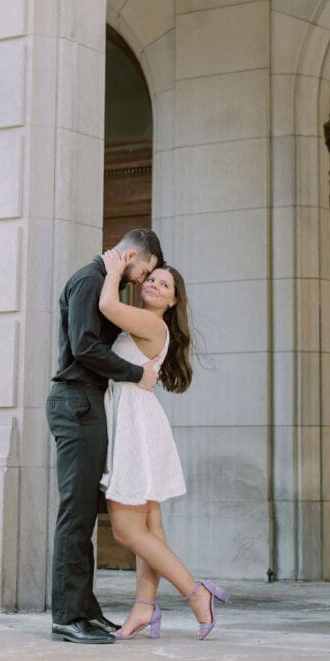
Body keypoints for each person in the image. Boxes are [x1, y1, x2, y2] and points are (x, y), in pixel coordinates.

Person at [98, 248, 229, 641]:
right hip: (138, 421)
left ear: (173, 301)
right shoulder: (144, 323)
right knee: (151, 528)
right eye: (152, 279)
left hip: (135, 428)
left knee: (125, 530)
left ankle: (195, 592)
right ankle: (143, 607)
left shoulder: (151, 324)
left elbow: (106, 303)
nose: (155, 284)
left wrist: (114, 268)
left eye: (165, 284)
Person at [46, 228, 164, 645]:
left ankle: (85, 610)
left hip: (87, 405)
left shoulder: (103, 282)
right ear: (132, 254)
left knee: (83, 517)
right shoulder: (88, 280)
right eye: (144, 271)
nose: (141, 280)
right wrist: (136, 373)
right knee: (74, 516)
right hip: (75, 402)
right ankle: (66, 616)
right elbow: (83, 347)